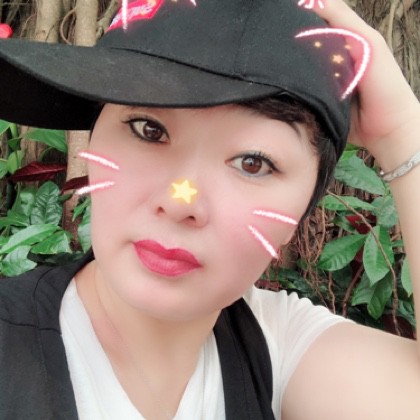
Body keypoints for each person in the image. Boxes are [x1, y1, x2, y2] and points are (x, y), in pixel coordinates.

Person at [0, 0, 420, 418]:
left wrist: (402, 132)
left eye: (252, 163)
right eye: (149, 130)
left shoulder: (280, 349)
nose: (179, 201)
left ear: (304, 209)